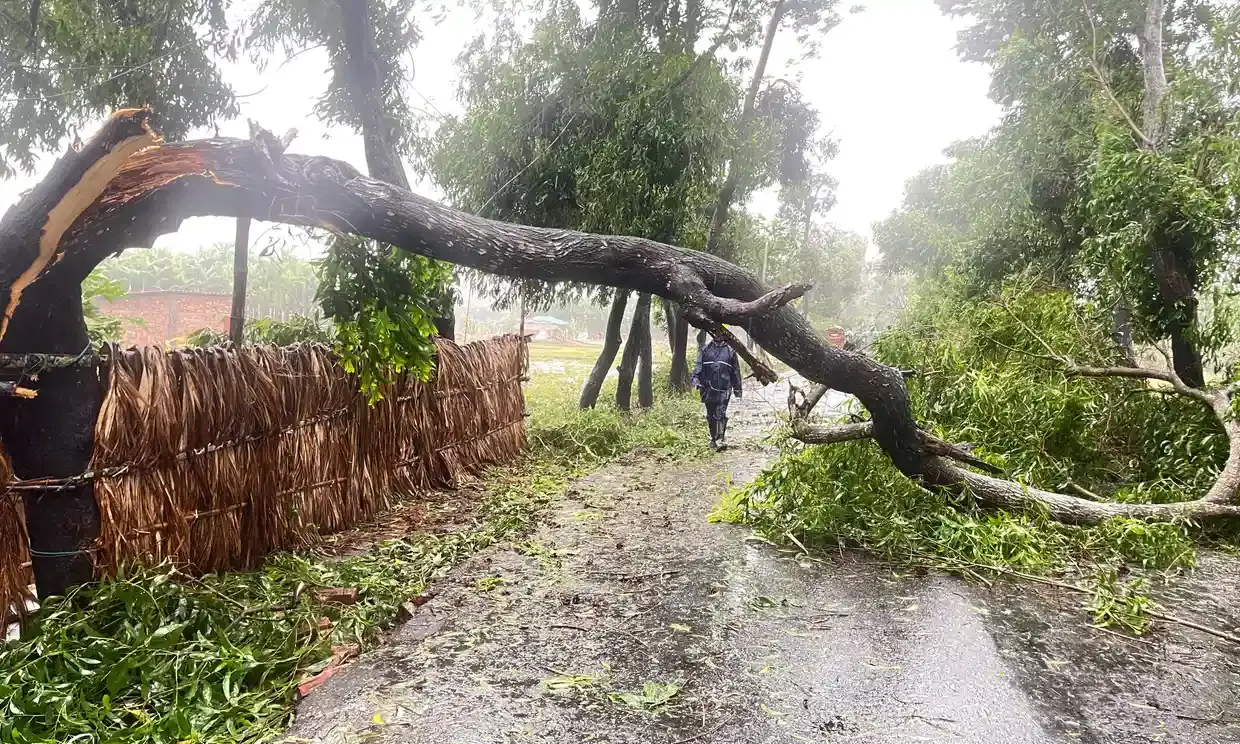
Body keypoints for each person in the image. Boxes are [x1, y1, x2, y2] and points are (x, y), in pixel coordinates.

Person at [692, 333, 742, 451]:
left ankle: (720, 439)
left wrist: (737, 390)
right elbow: (698, 368)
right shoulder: (705, 350)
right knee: (711, 415)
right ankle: (713, 439)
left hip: (724, 388)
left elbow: (736, 372)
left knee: (720, 412)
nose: (718, 336)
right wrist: (695, 381)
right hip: (707, 389)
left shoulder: (730, 351)